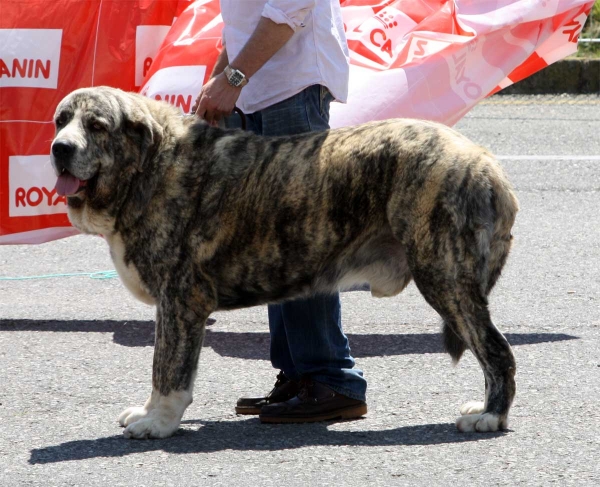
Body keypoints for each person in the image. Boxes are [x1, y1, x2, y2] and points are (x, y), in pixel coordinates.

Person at [193, 0, 367, 423]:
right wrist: (224, 76)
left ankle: (331, 378)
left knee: (300, 238)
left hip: (290, 88)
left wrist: (232, 77)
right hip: (261, 89)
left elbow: (290, 6)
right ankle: (301, 375)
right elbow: (247, 21)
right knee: (275, 241)